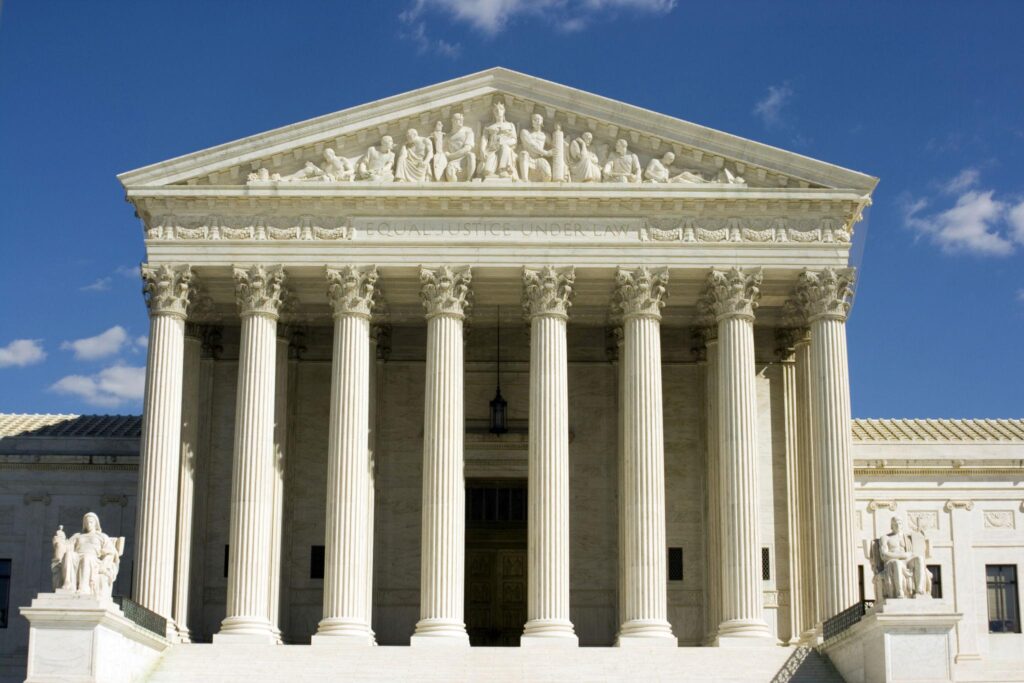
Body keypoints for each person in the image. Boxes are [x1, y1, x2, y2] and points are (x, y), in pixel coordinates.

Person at [51, 512, 124, 598]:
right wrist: (60, 538)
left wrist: (105, 562)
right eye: (86, 522)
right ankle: (68, 584)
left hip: (94, 559)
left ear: (96, 524)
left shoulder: (102, 536)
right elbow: (67, 547)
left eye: (91, 522)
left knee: (86, 557)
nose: (88, 524)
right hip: (77, 556)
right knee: (69, 554)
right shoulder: (78, 536)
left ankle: (84, 587)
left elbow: (111, 552)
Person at [875, 516, 931, 599]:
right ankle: (899, 591)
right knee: (897, 563)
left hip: (907, 560)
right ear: (892, 526)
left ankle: (919, 589)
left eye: (900, 523)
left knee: (919, 559)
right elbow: (884, 555)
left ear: (902, 525)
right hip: (892, 561)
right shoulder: (885, 538)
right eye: (895, 523)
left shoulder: (907, 538)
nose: (898, 525)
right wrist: (902, 555)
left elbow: (918, 550)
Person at [479, 101, 518, 179]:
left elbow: (514, 140)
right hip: (492, 150)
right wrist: (482, 150)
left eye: (500, 109)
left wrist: (504, 142)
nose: (498, 111)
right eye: (496, 110)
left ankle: (503, 169)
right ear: (493, 112)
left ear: (504, 111)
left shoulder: (510, 125)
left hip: (505, 149)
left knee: (505, 148)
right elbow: (484, 139)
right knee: (487, 171)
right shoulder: (488, 126)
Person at [518, 114, 553, 182]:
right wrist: (546, 153)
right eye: (534, 120)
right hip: (528, 158)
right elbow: (531, 145)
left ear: (542, 121)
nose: (536, 121)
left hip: (539, 159)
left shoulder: (546, 135)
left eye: (538, 119)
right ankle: (524, 179)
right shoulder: (525, 132)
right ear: (532, 122)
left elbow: (553, 146)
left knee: (547, 175)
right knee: (524, 154)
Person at [644, 152, 712, 184]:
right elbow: (647, 173)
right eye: (670, 159)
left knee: (685, 173)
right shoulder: (655, 161)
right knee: (679, 180)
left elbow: (681, 170)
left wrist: (694, 170)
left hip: (668, 182)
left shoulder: (667, 168)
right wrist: (660, 179)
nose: (671, 162)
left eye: (672, 160)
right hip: (659, 182)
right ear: (665, 156)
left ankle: (705, 182)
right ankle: (697, 187)